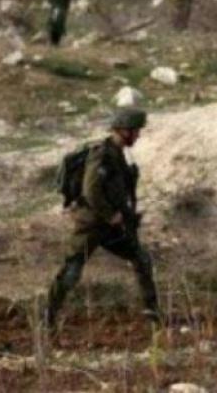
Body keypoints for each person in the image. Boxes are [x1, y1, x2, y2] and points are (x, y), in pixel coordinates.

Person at [46, 108, 160, 330]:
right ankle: (47, 318)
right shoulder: (102, 155)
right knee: (72, 270)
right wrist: (110, 215)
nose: (138, 135)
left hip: (111, 226)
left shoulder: (118, 154)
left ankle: (153, 313)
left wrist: (125, 215)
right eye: (135, 131)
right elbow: (91, 191)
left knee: (141, 259)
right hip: (92, 225)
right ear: (123, 130)